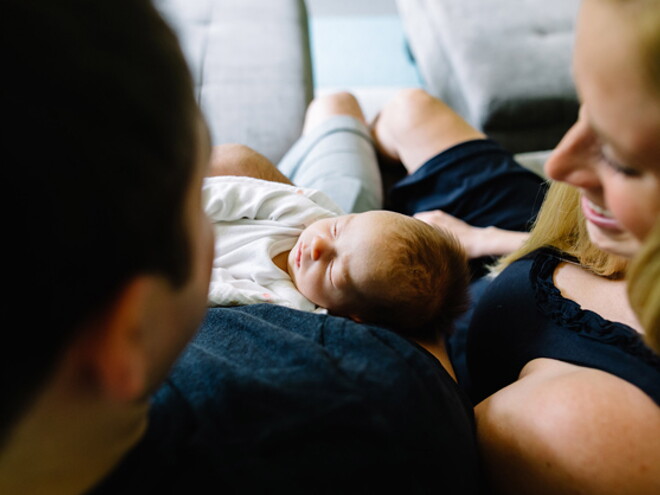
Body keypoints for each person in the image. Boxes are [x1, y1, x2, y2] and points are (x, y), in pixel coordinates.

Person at [0, 1, 483, 493]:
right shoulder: (383, 419)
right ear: (127, 334)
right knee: (334, 112)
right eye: (192, 198)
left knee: (331, 113)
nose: (223, 169)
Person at [367, 0, 660, 493]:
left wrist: (396, 279)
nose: (557, 167)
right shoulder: (608, 218)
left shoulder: (591, 430)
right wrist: (488, 239)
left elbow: (428, 425)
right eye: (583, 106)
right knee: (406, 111)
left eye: (620, 158)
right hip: (536, 252)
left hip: (440, 334)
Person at [203, 171, 468, 338]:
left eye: (333, 269)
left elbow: (216, 291)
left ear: (352, 315)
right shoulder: (304, 212)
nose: (318, 246)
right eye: (336, 229)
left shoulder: (291, 307)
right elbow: (237, 193)